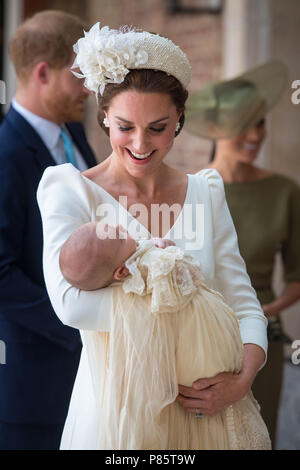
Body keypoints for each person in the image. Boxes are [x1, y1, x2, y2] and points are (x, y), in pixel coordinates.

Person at [37, 23, 268, 450]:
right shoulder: (69, 189)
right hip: (116, 418)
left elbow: (244, 303)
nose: (141, 144)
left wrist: (242, 379)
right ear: (104, 114)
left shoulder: (206, 192)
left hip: (210, 416)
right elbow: (70, 304)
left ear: (180, 118)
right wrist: (184, 303)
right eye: (125, 126)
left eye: (158, 127)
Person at [57, 220, 271, 449]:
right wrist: (163, 255)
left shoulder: (131, 257)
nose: (123, 230)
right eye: (120, 237)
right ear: (121, 271)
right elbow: (175, 276)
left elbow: (245, 306)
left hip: (220, 383)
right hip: (188, 384)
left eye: (114, 227)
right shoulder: (137, 277)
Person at [184, 61, 300, 445]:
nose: (255, 134)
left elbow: (298, 275)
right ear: (215, 128)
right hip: (199, 341)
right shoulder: (190, 190)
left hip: (261, 341)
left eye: (261, 122)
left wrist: (262, 313)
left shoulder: (285, 192)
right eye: (243, 123)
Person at [0, 10, 97, 450]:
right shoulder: (6, 154)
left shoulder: (75, 131)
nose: (89, 89)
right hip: (35, 380)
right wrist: (81, 326)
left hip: (90, 374)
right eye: (79, 75)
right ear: (43, 72)